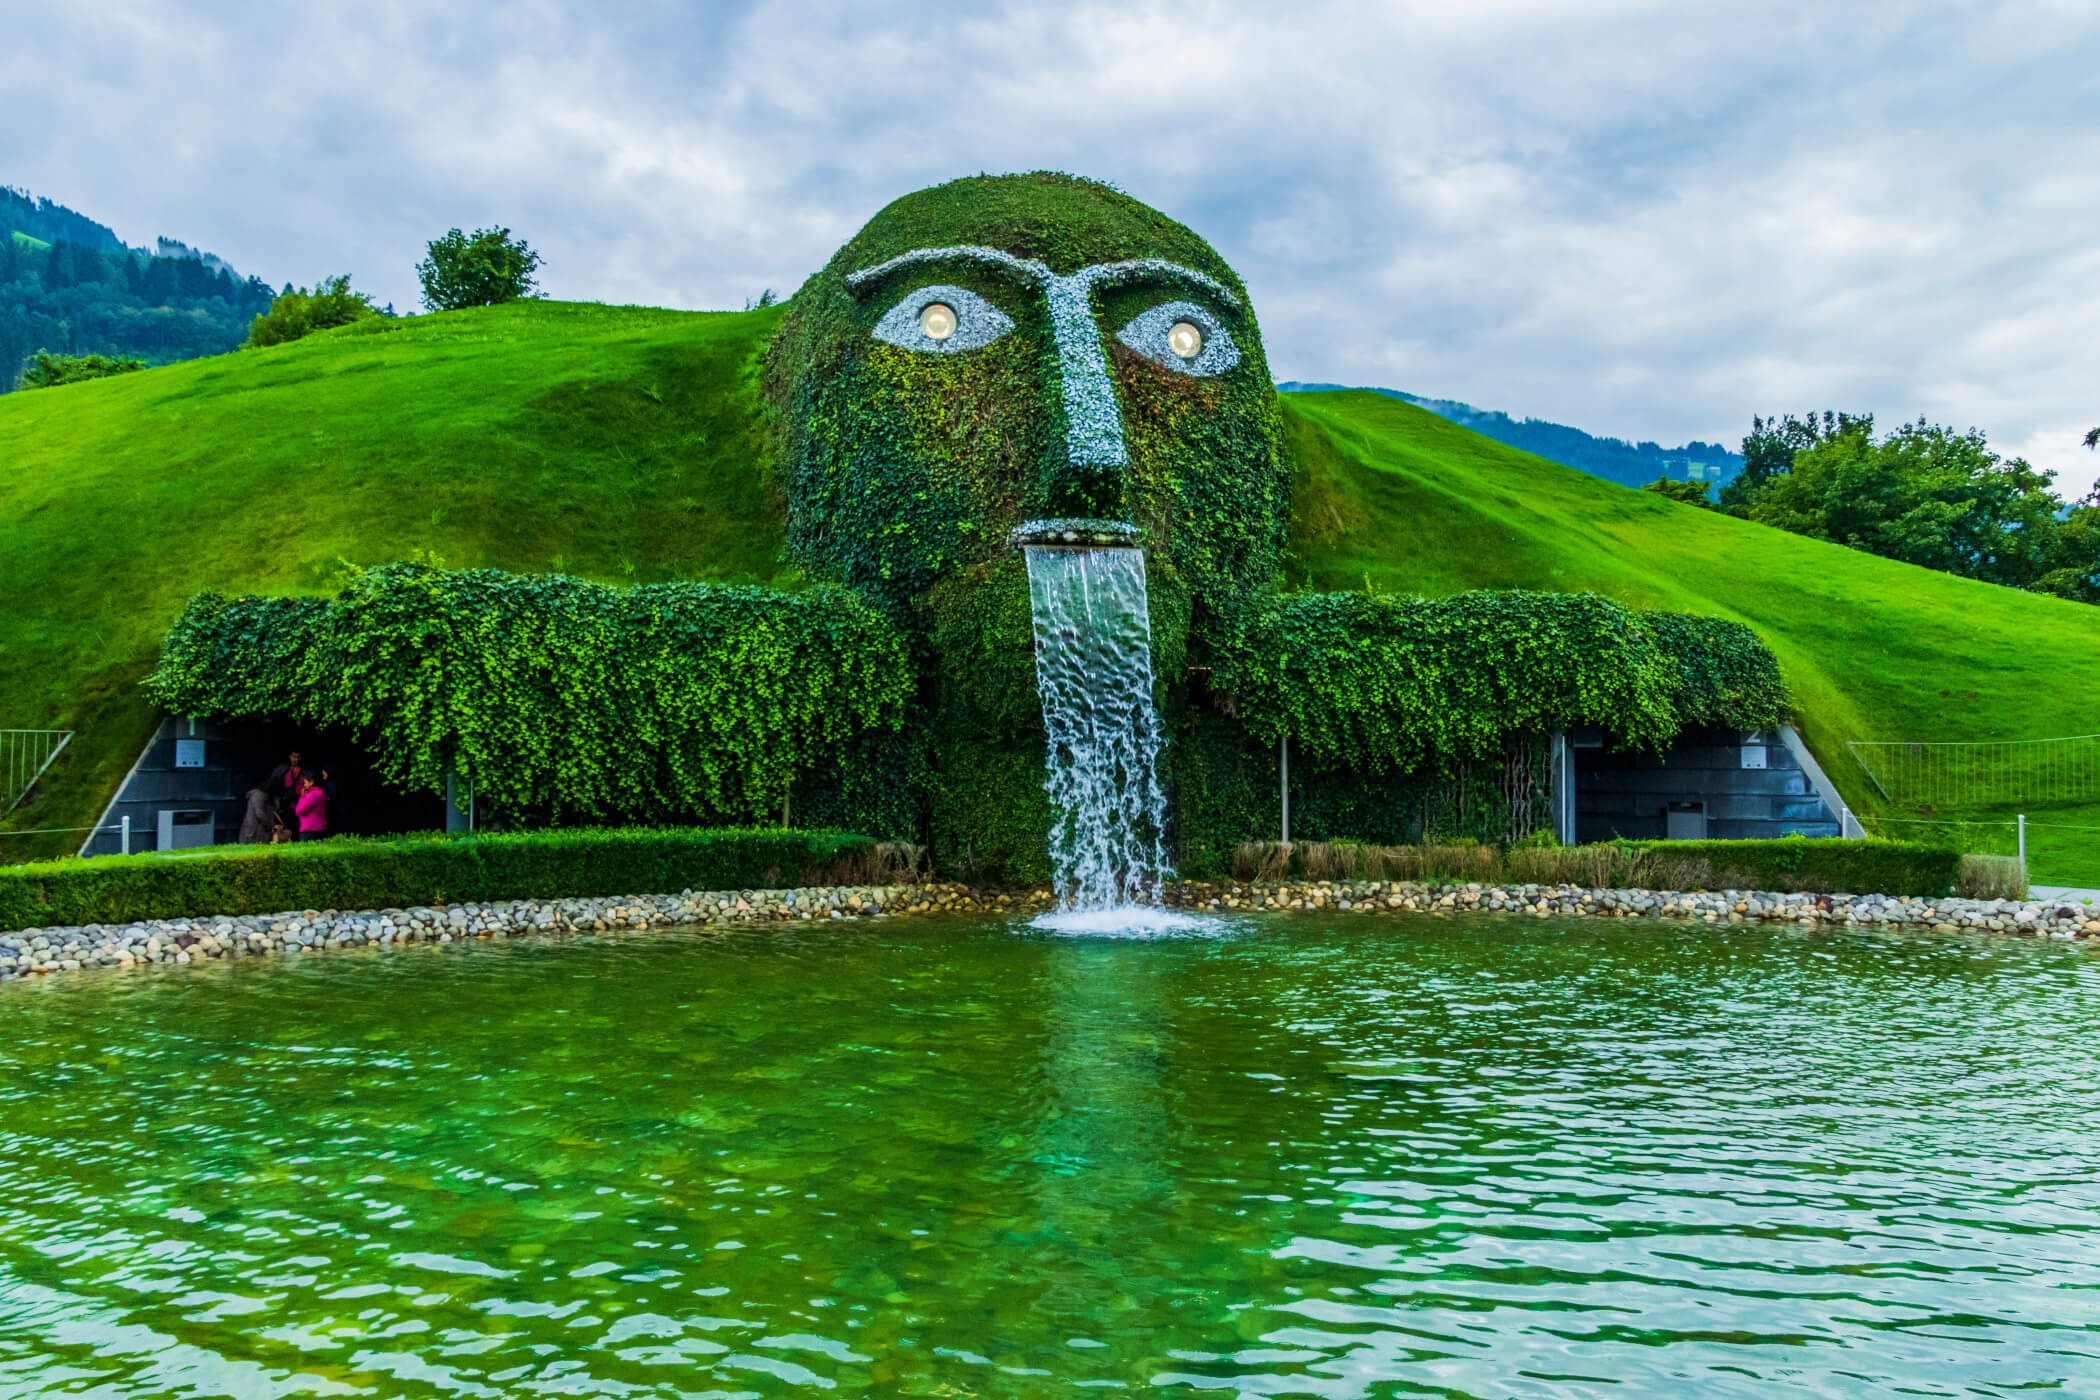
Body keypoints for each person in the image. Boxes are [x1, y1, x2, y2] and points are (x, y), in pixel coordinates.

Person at [266, 749, 306, 825]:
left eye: (298, 757)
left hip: (300, 804)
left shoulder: (305, 770)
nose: (296, 759)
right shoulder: (282, 769)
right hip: (284, 804)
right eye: (294, 756)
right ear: (289, 756)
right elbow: (273, 785)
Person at [293, 773, 329, 841]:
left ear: (311, 782)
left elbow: (299, 811)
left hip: (309, 830)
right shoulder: (321, 792)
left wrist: (302, 797)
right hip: (320, 828)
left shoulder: (312, 794)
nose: (304, 785)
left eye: (305, 782)